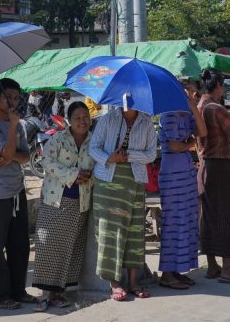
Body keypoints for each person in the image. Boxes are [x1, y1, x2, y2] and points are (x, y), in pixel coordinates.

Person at [89, 102, 159, 301]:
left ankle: (134, 282)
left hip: (135, 181)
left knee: (135, 230)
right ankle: (115, 283)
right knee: (111, 231)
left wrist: (128, 156)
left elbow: (151, 154)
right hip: (107, 181)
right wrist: (111, 158)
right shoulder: (107, 119)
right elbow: (93, 148)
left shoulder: (146, 123)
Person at [32, 101, 95, 312]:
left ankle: (59, 294)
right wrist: (74, 175)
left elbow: (99, 167)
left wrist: (88, 177)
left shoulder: (93, 141)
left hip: (81, 203)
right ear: (69, 120)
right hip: (55, 201)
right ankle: (43, 294)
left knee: (70, 249)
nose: (82, 121)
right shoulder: (58, 139)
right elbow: (46, 162)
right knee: (48, 245)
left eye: (85, 117)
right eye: (77, 117)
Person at [0, 78, 36, 310]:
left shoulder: (20, 125)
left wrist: (10, 153)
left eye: (15, 97)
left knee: (19, 244)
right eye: (7, 97)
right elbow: (6, 152)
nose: (12, 102)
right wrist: (12, 130)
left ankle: (18, 290)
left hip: (17, 190)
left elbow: (23, 156)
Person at [196, 68, 230, 284]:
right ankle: (227, 267)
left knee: (208, 217)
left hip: (205, 166)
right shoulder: (216, 109)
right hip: (220, 166)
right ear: (218, 86)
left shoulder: (198, 106)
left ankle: (212, 266)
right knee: (227, 215)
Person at [157, 79, 207, 290]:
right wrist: (190, 144)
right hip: (172, 172)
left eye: (194, 93)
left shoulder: (186, 113)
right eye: (190, 93)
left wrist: (194, 108)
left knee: (186, 220)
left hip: (185, 171)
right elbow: (175, 145)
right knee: (173, 222)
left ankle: (178, 269)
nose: (193, 95)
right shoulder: (167, 115)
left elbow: (202, 132)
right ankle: (167, 273)